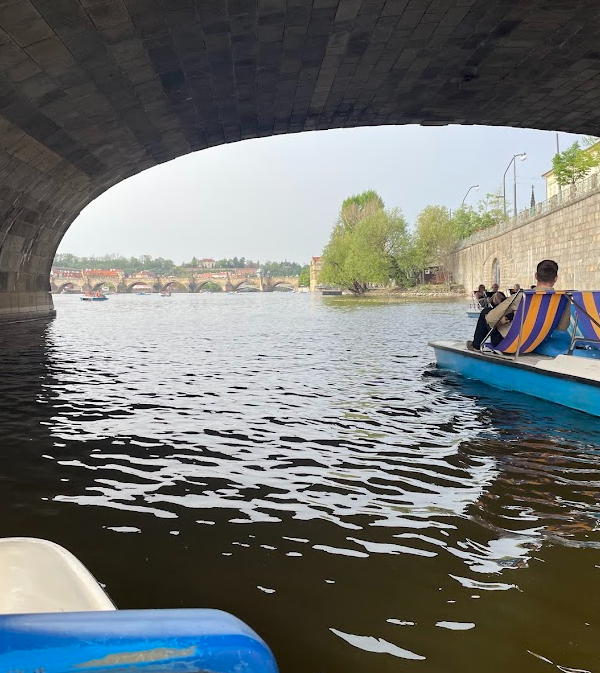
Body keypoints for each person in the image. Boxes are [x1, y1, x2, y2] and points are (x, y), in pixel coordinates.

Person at [468, 260, 569, 351]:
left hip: (510, 342)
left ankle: (476, 346)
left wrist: (505, 318)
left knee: (486, 312)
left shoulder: (524, 296)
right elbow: (562, 327)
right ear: (556, 278)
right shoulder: (563, 298)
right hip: (536, 342)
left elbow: (490, 319)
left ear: (535, 276)